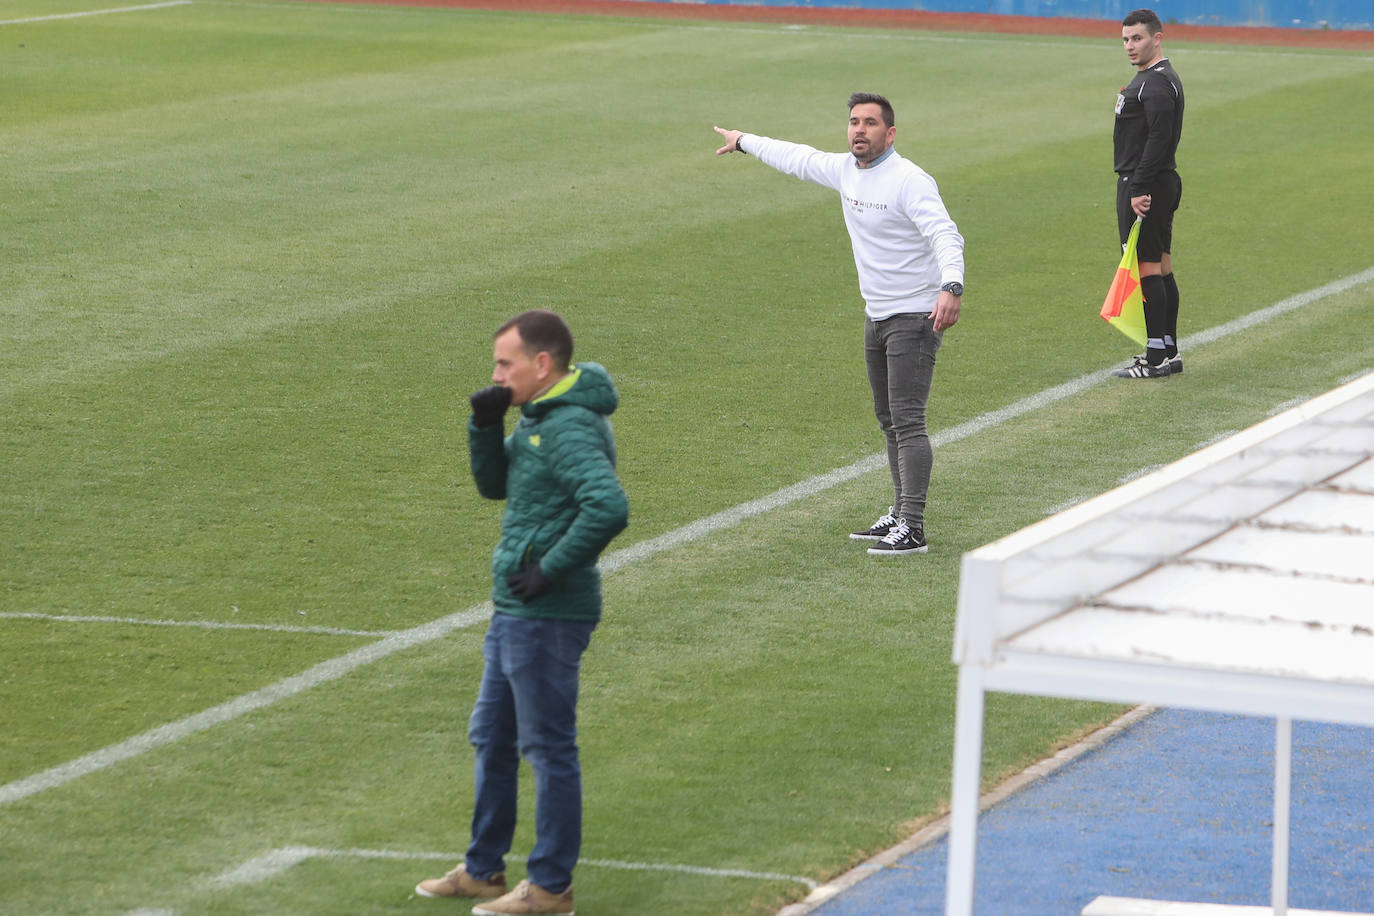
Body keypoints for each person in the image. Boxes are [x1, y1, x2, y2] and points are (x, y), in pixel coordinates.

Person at [416, 309, 628, 915]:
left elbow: (608, 506)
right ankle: (484, 870)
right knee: (493, 735)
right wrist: (485, 425)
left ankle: (550, 887)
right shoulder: (538, 418)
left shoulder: (568, 428)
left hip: (548, 615)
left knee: (548, 748)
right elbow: (496, 487)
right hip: (517, 610)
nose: (496, 374)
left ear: (542, 364)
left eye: (504, 364)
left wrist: (549, 569)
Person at [713, 92, 965, 556]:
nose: (859, 131)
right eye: (853, 122)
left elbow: (945, 233)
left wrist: (951, 286)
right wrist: (744, 141)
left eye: (870, 123)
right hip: (876, 315)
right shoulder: (846, 170)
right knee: (889, 419)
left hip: (913, 316)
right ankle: (898, 511)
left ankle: (912, 526)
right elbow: (798, 158)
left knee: (908, 421)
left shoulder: (910, 180)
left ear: (889, 133)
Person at [1111, 8, 1186, 379]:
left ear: (1158, 38)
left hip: (1145, 185)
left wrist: (1138, 188)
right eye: (1125, 39)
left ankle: (1155, 355)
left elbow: (1157, 139)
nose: (1129, 46)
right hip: (1159, 180)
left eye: (1137, 38)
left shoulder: (1155, 83)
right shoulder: (1157, 79)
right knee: (1162, 265)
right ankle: (1168, 349)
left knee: (1147, 268)